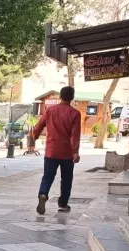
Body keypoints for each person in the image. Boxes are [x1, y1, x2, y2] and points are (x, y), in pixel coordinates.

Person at [29, 86, 81, 214]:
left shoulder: (50, 110)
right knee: (67, 178)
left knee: (48, 176)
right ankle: (63, 204)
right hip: (67, 153)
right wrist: (75, 152)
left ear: (60, 96)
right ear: (72, 98)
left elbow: (39, 125)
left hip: (51, 151)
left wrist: (34, 137)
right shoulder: (75, 113)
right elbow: (75, 134)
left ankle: (43, 194)